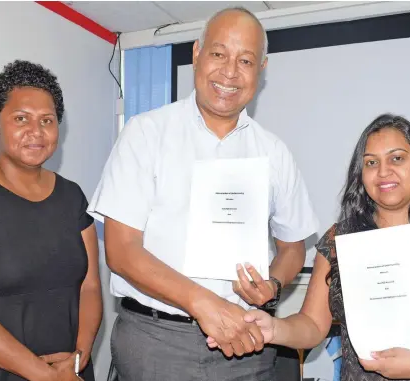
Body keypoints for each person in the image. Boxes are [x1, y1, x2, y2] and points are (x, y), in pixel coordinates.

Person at [87, 6, 318, 381]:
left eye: (245, 60)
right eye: (218, 53)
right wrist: (203, 303)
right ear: (196, 54)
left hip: (246, 343)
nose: (230, 71)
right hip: (156, 340)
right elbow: (121, 250)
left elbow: (292, 249)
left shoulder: (274, 153)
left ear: (261, 70)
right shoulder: (145, 134)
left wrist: (273, 284)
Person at [207, 113, 410, 380]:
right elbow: (313, 325)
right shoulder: (339, 240)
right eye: (371, 163)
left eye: (397, 158)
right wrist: (274, 329)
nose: (383, 171)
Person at [0, 60, 102, 381]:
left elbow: (90, 287)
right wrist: (45, 375)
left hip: (69, 369)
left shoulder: (72, 197)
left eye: (47, 120)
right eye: (21, 118)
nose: (36, 132)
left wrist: (79, 357)